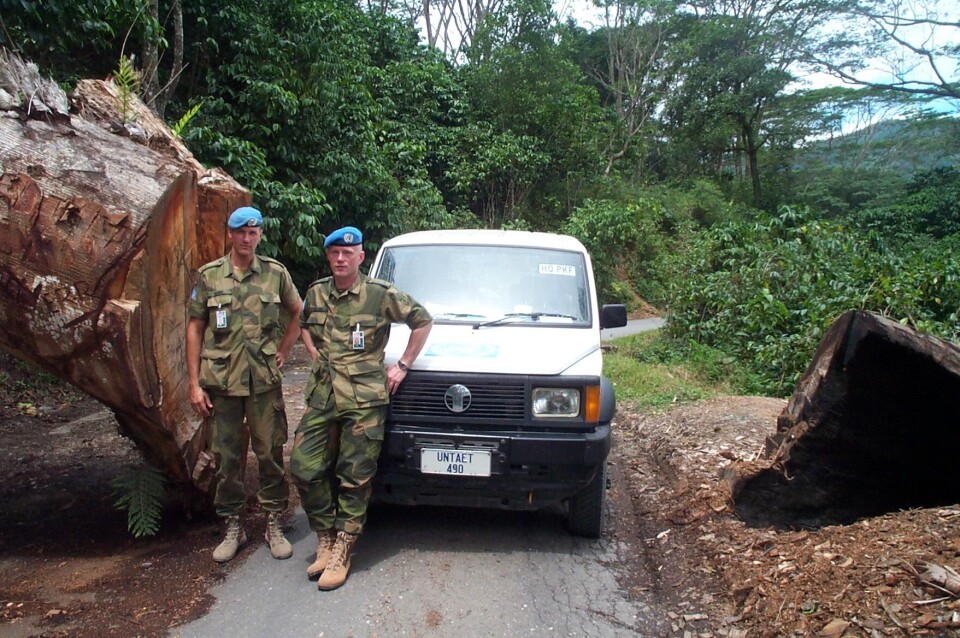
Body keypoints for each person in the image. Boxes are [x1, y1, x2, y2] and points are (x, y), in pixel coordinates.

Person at [291, 226, 433, 590]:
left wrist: (402, 364)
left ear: (360, 257)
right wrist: (314, 354)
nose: (340, 258)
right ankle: (324, 535)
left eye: (347, 253)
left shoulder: (379, 294)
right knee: (304, 468)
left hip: (363, 399)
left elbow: (422, 320)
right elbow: (304, 323)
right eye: (335, 252)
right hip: (324, 395)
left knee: (355, 476)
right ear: (328, 256)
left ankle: (343, 547)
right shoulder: (317, 292)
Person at [186, 206, 303, 563]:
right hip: (221, 384)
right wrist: (194, 384)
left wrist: (284, 349)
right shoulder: (209, 276)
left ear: (260, 235)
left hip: (263, 382)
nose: (247, 238)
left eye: (253, 233)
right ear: (230, 234)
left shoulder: (274, 274)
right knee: (226, 458)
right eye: (241, 232)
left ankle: (273, 523)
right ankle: (233, 525)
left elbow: (298, 311)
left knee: (270, 453)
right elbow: (195, 327)